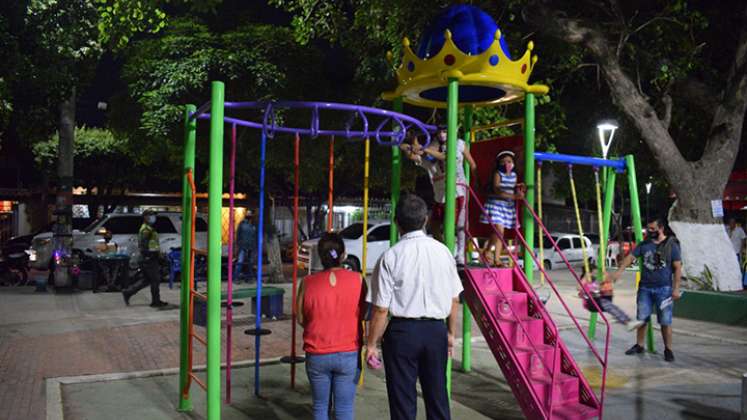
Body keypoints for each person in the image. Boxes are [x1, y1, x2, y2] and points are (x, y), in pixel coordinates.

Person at [366, 193, 462, 420]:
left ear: (397, 222)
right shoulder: (443, 252)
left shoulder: (390, 257)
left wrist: (371, 344)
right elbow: (454, 298)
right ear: (426, 219)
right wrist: (450, 333)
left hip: (402, 333)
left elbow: (381, 309)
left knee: (402, 401)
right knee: (438, 396)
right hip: (435, 331)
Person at [296, 232, 366, 420]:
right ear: (343, 255)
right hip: (349, 353)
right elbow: (364, 314)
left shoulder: (307, 283)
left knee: (320, 407)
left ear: (320, 256)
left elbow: (301, 319)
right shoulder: (358, 280)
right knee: (344, 409)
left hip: (317, 353)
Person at [400, 126, 477, 265]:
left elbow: (446, 156)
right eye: (439, 133)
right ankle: (446, 250)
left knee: (458, 224)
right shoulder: (429, 160)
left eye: (445, 132)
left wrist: (424, 149)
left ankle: (460, 255)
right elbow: (412, 154)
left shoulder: (455, 146)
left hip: (456, 190)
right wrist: (409, 145)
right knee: (434, 224)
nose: (441, 135)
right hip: (440, 195)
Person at [610, 217, 682, 362]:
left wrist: (676, 289)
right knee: (642, 319)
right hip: (645, 288)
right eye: (648, 228)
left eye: (653, 229)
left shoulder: (671, 245)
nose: (649, 231)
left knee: (665, 321)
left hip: (664, 289)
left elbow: (678, 268)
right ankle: (639, 345)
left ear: (661, 228)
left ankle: (668, 349)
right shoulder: (645, 244)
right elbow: (630, 257)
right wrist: (619, 271)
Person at [480, 151, 525, 267]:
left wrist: (519, 189)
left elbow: (512, 188)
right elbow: (497, 190)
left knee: (499, 233)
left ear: (513, 163)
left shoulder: (514, 176)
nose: (507, 164)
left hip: (507, 206)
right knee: (499, 231)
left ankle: (492, 254)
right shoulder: (498, 173)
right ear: (499, 163)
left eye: (509, 161)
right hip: (495, 204)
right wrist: (515, 197)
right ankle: (495, 257)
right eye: (503, 162)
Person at [122, 209, 167, 307]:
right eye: (151, 215)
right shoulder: (146, 229)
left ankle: (128, 292)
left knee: (146, 280)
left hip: (149, 257)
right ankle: (156, 301)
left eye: (154, 215)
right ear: (145, 217)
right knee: (155, 280)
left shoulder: (149, 228)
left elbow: (152, 244)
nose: (153, 217)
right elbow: (143, 245)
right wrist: (149, 256)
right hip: (149, 258)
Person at [578, 264, 642, 331]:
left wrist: (605, 275)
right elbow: (578, 288)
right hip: (590, 303)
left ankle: (628, 321)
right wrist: (585, 277)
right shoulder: (585, 281)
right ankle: (626, 322)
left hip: (598, 301)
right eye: (594, 273)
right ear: (589, 273)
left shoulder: (595, 282)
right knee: (609, 306)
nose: (595, 275)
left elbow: (604, 283)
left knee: (613, 306)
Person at [234, 212, 257, 282]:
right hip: (246, 246)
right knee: (244, 262)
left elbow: (238, 236)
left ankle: (242, 278)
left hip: (248, 246)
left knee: (245, 263)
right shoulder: (250, 225)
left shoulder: (249, 224)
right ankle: (241, 278)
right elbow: (238, 235)